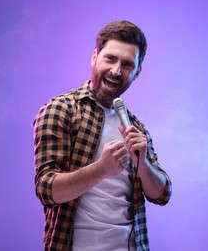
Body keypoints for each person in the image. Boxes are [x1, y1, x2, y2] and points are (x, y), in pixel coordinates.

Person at [33, 20, 172, 251]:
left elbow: (162, 194)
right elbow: (47, 190)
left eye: (127, 64)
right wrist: (100, 169)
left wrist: (144, 163)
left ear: (137, 72)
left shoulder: (136, 127)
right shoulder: (61, 109)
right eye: (110, 58)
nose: (116, 71)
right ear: (94, 56)